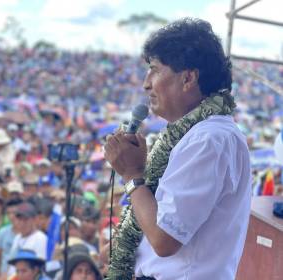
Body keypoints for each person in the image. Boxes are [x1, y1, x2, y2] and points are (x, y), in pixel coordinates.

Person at [103, 18, 251, 279]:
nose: (146, 83)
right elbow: (163, 223)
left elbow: (165, 239)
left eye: (155, 70)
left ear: (188, 78)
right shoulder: (195, 135)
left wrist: (132, 175)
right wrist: (124, 248)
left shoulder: (209, 139)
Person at [7, 202, 47, 278]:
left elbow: (38, 269)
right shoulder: (17, 237)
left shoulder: (40, 238)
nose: (22, 223)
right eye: (19, 219)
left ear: (34, 219)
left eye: (26, 219)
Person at [0, 198, 23, 280]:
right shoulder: (2, 232)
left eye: (14, 213)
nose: (11, 216)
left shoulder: (28, 234)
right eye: (8, 213)